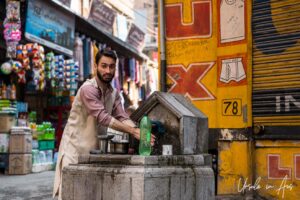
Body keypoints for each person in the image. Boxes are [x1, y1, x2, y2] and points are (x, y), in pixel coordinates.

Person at [53, 49, 154, 200]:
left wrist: (141, 130)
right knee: (72, 195)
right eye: (104, 66)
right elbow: (103, 118)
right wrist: (133, 132)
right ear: (95, 67)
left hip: (94, 153)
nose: (108, 70)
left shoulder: (114, 93)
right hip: (74, 151)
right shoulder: (88, 89)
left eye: (111, 66)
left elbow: (121, 116)